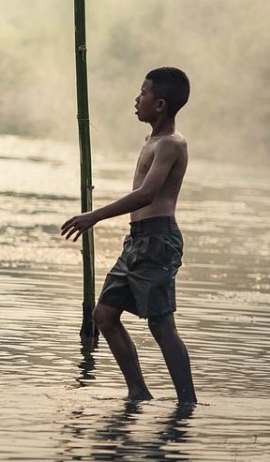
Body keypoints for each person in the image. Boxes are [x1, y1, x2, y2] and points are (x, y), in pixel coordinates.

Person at [61, 67, 196, 404]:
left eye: (143, 93)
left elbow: (147, 195)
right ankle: (138, 391)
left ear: (160, 104)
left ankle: (187, 402)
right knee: (104, 315)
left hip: (158, 241)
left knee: (161, 326)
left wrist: (95, 215)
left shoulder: (171, 145)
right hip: (137, 241)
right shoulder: (151, 141)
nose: (137, 99)